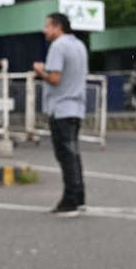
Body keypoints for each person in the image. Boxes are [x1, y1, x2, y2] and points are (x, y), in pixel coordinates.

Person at [32, 12, 88, 217]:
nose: (45, 30)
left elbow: (54, 78)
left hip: (61, 108)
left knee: (65, 156)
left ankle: (70, 200)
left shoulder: (58, 46)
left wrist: (41, 71)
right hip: (76, 107)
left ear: (58, 27)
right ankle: (79, 196)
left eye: (47, 26)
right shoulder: (79, 45)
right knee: (73, 154)